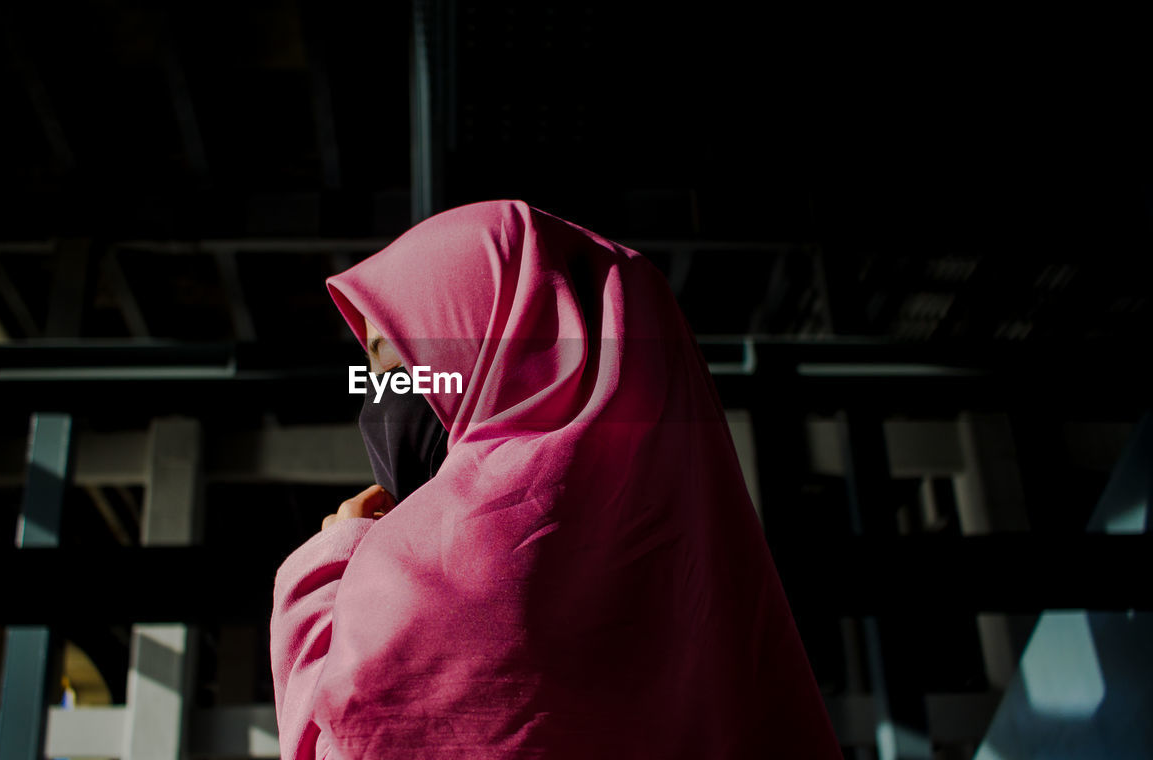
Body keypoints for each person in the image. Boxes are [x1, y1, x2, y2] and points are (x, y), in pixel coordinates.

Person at [270, 200, 841, 758]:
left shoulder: (437, 570)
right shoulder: (712, 567)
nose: (379, 392)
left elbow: (347, 740)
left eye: (391, 357)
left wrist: (325, 580)